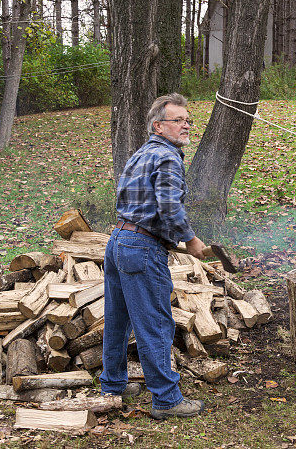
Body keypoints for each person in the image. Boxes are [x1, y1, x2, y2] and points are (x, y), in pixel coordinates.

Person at [101, 93, 207, 419]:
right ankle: (166, 399)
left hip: (118, 241)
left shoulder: (142, 154)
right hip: (141, 248)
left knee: (117, 322)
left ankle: (112, 388)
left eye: (188, 120)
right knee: (156, 324)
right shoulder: (169, 158)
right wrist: (190, 239)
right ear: (159, 126)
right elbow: (170, 206)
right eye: (178, 120)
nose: (186, 125)